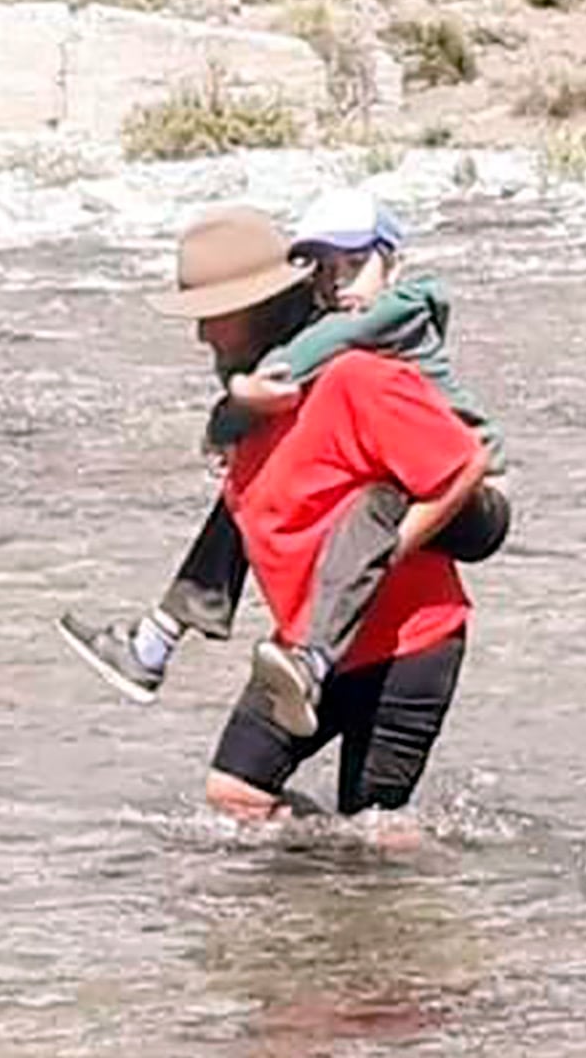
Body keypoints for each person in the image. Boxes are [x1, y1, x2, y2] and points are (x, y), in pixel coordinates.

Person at [57, 190, 509, 738]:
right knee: (249, 485)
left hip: (477, 499)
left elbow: (304, 364)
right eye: (326, 270)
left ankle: (309, 658)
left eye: (355, 264)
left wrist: (244, 397)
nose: (340, 282)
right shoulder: (318, 326)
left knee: (372, 506)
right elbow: (239, 411)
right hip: (418, 487)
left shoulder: (383, 314)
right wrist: (236, 412)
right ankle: (157, 639)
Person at [125, 205, 489, 822]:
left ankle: (378, 893)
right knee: (235, 798)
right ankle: (317, 897)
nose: (201, 337)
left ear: (261, 307)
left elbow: (464, 464)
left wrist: (392, 550)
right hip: (301, 653)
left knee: (375, 833)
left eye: (213, 317)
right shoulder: (249, 407)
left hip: (406, 648)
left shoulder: (358, 378)